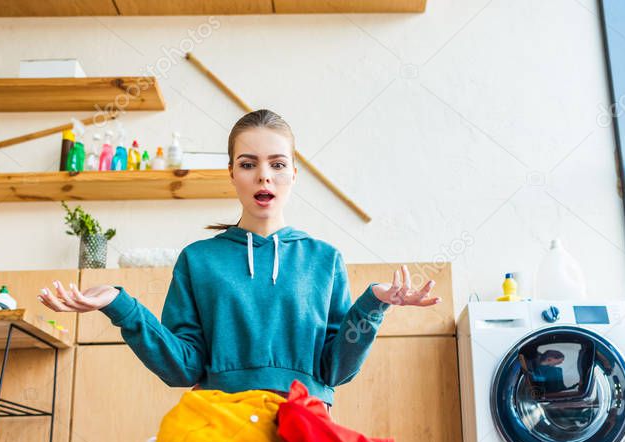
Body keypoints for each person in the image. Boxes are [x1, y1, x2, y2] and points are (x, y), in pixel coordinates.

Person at [39, 109, 441, 413]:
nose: (264, 176)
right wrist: (119, 305)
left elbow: (334, 371)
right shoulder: (199, 260)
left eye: (277, 165)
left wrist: (373, 303)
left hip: (305, 428)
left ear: (293, 175)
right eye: (248, 164)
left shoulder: (325, 259)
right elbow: (183, 369)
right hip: (220, 428)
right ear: (232, 173)